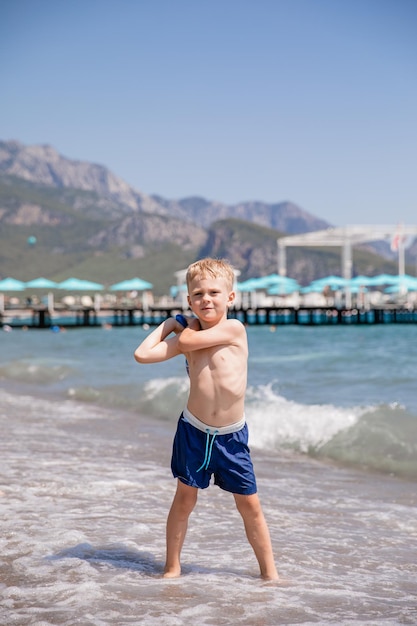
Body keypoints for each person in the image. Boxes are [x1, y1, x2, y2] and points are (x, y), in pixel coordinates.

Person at [134, 258, 279, 580]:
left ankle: (270, 574)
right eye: (198, 294)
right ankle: (172, 566)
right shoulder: (187, 333)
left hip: (231, 436)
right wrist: (170, 324)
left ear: (230, 297)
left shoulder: (233, 329)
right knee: (185, 498)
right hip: (194, 432)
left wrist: (182, 329)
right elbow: (142, 355)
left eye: (214, 292)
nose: (206, 299)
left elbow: (186, 342)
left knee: (249, 504)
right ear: (189, 301)